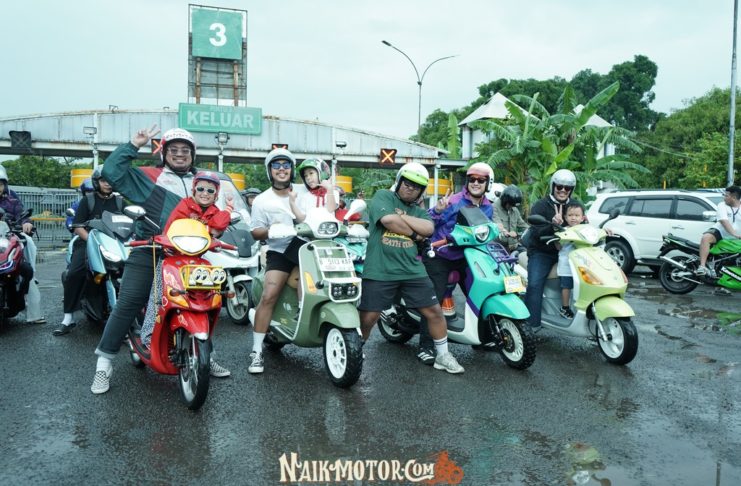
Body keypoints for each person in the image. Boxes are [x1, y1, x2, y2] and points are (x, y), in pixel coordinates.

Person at [90, 126, 231, 395]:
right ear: (164, 153)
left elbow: (218, 215)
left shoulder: (204, 182)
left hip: (190, 254)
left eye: (185, 150)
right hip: (150, 248)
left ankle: (204, 354)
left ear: (193, 155)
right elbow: (111, 172)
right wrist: (133, 144)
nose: (180, 154)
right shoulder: (148, 177)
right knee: (130, 301)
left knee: (205, 302)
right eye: (173, 149)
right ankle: (104, 363)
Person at [358, 162, 465, 374]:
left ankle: (443, 355)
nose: (410, 188)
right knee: (369, 317)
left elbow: (429, 228)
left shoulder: (419, 210)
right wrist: (415, 233)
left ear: (421, 191)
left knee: (435, 311)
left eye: (416, 186)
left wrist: (403, 217)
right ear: (399, 182)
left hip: (412, 270)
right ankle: (355, 349)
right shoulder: (383, 196)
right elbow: (388, 220)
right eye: (407, 183)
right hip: (380, 268)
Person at [140, 171, 234, 346]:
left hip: (196, 261)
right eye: (201, 189)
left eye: (210, 190)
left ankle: (204, 344)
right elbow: (171, 228)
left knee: (207, 297)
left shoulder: (214, 211)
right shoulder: (184, 205)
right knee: (159, 296)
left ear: (216, 194)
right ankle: (148, 337)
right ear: (194, 190)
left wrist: (228, 208)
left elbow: (217, 228)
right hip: (172, 258)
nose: (205, 193)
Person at [416, 162, 495, 365]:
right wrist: (437, 210)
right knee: (434, 300)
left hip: (467, 256)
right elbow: (427, 223)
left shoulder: (488, 206)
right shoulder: (453, 201)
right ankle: (425, 346)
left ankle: (481, 337)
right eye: (472, 179)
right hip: (440, 254)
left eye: (481, 180)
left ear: (488, 183)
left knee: (480, 293)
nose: (476, 183)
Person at [248, 148, 304, 374]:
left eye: (286, 165)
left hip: (308, 248)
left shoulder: (303, 192)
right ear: (269, 170)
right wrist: (271, 230)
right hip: (280, 251)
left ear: (292, 170)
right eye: (276, 165)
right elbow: (255, 232)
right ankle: (256, 351)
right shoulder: (262, 200)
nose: (282, 169)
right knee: (269, 295)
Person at [54, 169, 125, 336]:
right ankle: (68, 318)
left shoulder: (120, 202)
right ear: (96, 182)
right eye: (103, 180)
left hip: (114, 245)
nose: (107, 184)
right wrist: (93, 242)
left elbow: (131, 223)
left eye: (110, 180)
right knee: (75, 274)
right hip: (87, 242)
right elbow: (78, 227)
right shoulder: (88, 200)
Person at [524, 169, 581, 332]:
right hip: (542, 252)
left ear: (571, 189)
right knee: (534, 284)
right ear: (553, 186)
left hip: (570, 252)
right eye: (559, 186)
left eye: (567, 188)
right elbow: (535, 231)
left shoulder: (575, 205)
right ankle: (531, 326)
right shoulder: (541, 205)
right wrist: (553, 225)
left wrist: (602, 231)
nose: (563, 190)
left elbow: (585, 224)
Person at [0, 166, 44, 324]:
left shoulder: (12, 200)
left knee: (26, 269)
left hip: (8, 238)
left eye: (0, 184)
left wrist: (26, 223)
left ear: (4, 185)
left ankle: (27, 300)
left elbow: (22, 214)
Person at [697, 185, 741, 278]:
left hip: (738, 237)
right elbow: (724, 221)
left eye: (726, 195)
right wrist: (734, 234)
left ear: (733, 197)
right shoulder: (722, 205)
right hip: (721, 232)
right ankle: (702, 266)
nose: (724, 198)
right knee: (706, 238)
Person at [557, 201, 587, 319]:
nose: (573, 218)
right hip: (567, 264)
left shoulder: (585, 229)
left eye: (576, 215)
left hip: (582, 263)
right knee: (567, 286)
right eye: (570, 215)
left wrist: (606, 230)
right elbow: (558, 246)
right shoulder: (563, 230)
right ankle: (565, 308)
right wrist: (557, 238)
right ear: (565, 217)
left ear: (582, 218)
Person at [492, 184, 529, 252]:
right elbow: (498, 225)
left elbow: (523, 225)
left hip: (514, 246)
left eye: (513, 205)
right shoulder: (494, 208)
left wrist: (531, 230)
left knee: (527, 255)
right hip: (499, 247)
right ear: (505, 201)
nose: (512, 207)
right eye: (510, 205)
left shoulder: (514, 210)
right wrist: (507, 233)